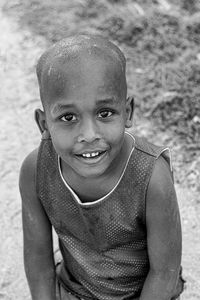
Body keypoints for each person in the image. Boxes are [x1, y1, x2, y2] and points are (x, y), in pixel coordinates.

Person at [19, 34, 185, 300]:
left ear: (128, 111)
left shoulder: (151, 177)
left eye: (105, 113)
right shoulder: (36, 170)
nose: (88, 134)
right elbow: (39, 261)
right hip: (74, 289)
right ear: (44, 124)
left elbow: (165, 272)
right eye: (68, 117)